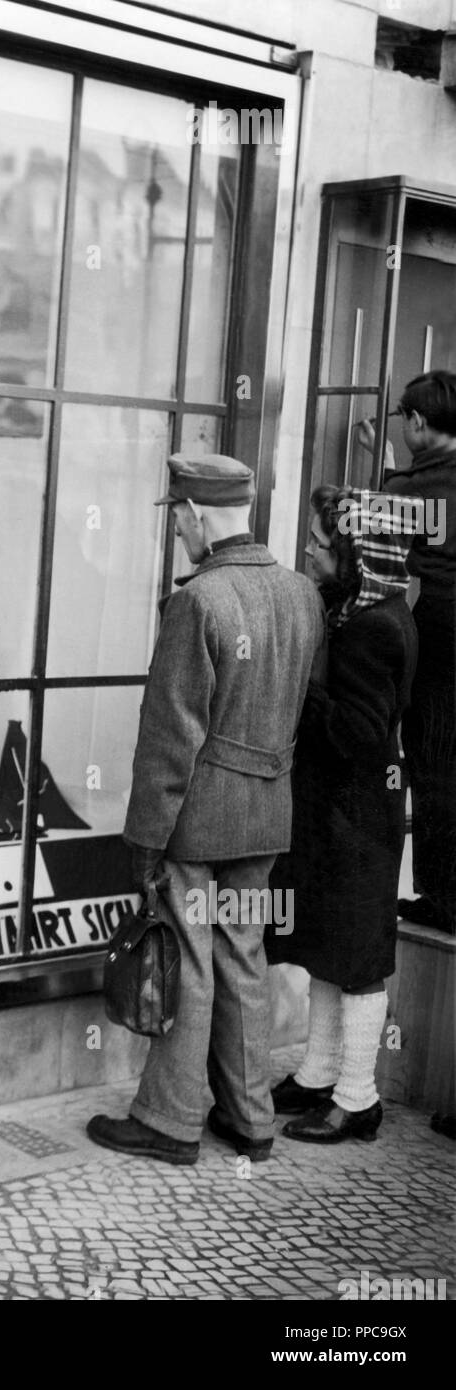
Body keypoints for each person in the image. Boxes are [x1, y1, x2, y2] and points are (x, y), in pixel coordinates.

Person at [87, 454, 324, 1166]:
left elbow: (169, 739)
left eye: (178, 518)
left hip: (197, 817)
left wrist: (143, 839)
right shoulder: (300, 593)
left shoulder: (198, 601)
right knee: (241, 957)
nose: (178, 533)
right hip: (265, 809)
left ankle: (168, 1121)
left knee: (188, 959)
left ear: (194, 514)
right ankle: (251, 1119)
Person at [267, 487, 419, 1143]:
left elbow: (359, 735)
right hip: (343, 812)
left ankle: (357, 1097)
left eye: (320, 541)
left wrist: (301, 694)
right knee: (329, 943)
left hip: (356, 818)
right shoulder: (356, 611)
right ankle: (317, 1073)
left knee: (355, 956)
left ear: (356, 551)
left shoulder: (372, 629)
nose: (306, 548)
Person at [369, 371, 456, 936]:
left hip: (444, 632)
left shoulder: (414, 490)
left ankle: (443, 898)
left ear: (417, 422)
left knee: (434, 762)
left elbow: (363, 534)